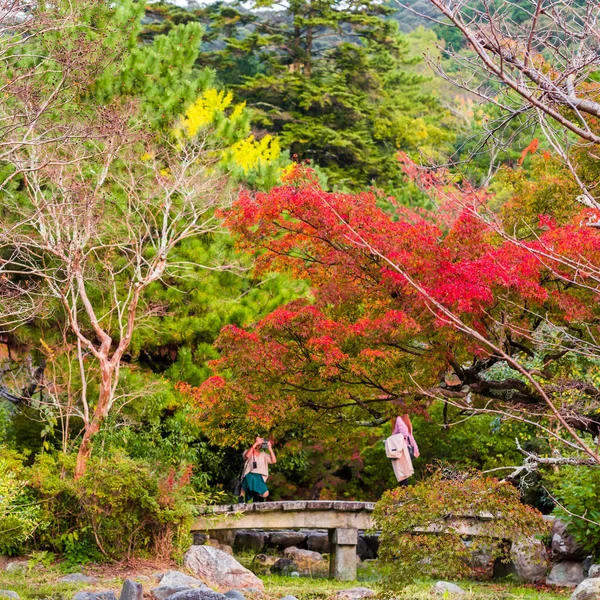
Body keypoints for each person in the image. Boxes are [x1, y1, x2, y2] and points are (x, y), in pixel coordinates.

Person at [239, 436, 276, 503]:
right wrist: (256, 443)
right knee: (248, 477)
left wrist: (270, 448)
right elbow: (247, 456)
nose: (259, 443)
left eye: (260, 442)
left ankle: (257, 495)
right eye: (257, 441)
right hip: (249, 475)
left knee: (266, 493)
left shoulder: (263, 455)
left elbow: (274, 461)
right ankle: (241, 497)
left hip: (260, 478)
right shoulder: (248, 452)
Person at [389, 414, 419, 486]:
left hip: (400, 451)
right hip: (404, 450)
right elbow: (410, 436)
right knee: (404, 474)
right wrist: (415, 449)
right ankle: (405, 493)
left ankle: (404, 494)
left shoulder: (398, 419)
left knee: (401, 475)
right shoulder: (406, 420)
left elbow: (405, 434)